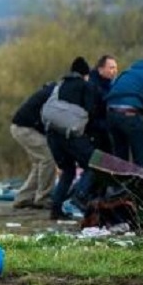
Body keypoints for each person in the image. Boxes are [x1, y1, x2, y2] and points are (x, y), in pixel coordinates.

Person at [46, 57, 97, 220]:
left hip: (53, 135)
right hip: (72, 135)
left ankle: (56, 208)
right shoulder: (86, 86)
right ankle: (79, 198)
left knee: (68, 171)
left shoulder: (60, 86)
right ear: (85, 74)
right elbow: (90, 112)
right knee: (93, 165)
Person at [10, 81, 56, 209]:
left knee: (39, 163)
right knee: (48, 158)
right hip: (25, 129)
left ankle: (23, 198)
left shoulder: (48, 93)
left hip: (20, 128)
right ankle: (43, 198)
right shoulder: (53, 96)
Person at [87, 55, 117, 153]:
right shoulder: (93, 85)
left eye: (116, 68)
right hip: (94, 129)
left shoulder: (109, 84)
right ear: (100, 69)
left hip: (102, 127)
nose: (115, 71)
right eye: (111, 68)